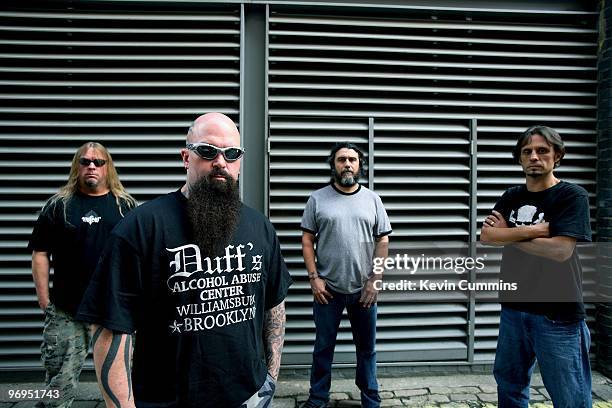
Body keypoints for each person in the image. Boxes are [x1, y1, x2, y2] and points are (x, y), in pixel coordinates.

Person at [76, 113, 292, 408]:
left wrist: (269, 380)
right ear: (186, 157)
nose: (220, 161)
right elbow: (110, 328)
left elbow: (274, 306)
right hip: (166, 401)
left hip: (249, 397)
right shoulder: (142, 227)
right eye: (207, 150)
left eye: (231, 153)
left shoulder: (260, 227)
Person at [480, 125, 592, 407]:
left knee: (570, 396)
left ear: (558, 156)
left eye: (542, 151)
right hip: (514, 310)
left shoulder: (571, 196)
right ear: (519, 158)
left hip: (558, 315)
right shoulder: (511, 196)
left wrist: (510, 234)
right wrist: (536, 230)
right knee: (510, 386)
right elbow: (487, 236)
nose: (534, 157)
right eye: (527, 152)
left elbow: (560, 250)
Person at [28, 142, 137, 407]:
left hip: (110, 310)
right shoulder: (58, 206)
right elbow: (40, 253)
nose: (91, 166)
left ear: (107, 167)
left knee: (119, 383)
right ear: (76, 166)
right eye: (85, 161)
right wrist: (45, 301)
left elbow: (138, 257)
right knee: (59, 384)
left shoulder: (126, 206)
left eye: (98, 162)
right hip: (67, 309)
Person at [300, 142, 391, 408]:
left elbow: (382, 241)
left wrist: (375, 280)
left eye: (352, 159)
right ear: (334, 165)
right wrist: (314, 278)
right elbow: (307, 240)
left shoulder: (373, 199)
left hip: (364, 290)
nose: (347, 164)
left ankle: (370, 399)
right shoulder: (317, 199)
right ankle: (317, 399)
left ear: (360, 165)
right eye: (341, 159)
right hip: (328, 291)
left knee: (367, 350)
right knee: (323, 349)